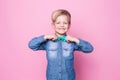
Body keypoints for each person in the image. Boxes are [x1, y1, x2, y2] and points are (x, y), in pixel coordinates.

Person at [28, 9, 94, 80]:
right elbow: (31, 45)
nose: (61, 25)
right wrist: (45, 37)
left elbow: (89, 49)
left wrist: (75, 40)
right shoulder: (47, 42)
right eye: (58, 23)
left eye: (65, 23)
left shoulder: (72, 43)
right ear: (53, 25)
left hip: (69, 78)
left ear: (69, 25)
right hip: (52, 78)